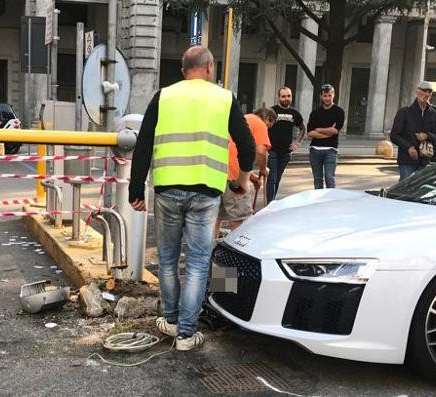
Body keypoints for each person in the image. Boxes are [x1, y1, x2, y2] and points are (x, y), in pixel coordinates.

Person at [128, 46, 256, 352]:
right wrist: (241, 183)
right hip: (206, 191)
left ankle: (170, 321)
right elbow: (247, 146)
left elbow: (143, 143)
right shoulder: (224, 98)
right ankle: (186, 334)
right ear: (210, 67)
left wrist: (136, 190)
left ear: (183, 70)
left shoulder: (165, 96)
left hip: (167, 189)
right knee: (198, 263)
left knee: (168, 260)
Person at [217, 107, 273, 235]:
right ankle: (238, 251)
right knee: (240, 218)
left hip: (220, 173)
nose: (268, 129)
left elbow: (233, 155)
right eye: (269, 125)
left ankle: (210, 249)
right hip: (235, 178)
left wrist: (253, 179)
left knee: (217, 216)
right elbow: (261, 152)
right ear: (268, 118)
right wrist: (263, 169)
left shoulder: (242, 120)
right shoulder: (259, 123)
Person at [390, 81, 436, 181]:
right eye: (423, 91)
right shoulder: (404, 112)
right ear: (417, 92)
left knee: (420, 191)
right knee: (405, 189)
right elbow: (394, 135)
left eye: (429, 91)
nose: (426, 94)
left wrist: (427, 136)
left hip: (424, 160)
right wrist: (408, 148)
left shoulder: (434, 113)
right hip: (407, 160)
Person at [266, 87, 306, 203]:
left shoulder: (295, 113)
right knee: (272, 178)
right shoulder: (272, 111)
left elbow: (302, 129)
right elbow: (264, 127)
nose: (286, 98)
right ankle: (270, 203)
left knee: (277, 178)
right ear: (279, 97)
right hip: (272, 150)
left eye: (288, 96)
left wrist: (297, 143)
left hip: (286, 152)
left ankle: (272, 201)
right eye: (283, 96)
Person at [306, 84, 346, 189]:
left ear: (334, 95)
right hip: (315, 149)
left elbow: (335, 130)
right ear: (320, 96)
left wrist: (318, 129)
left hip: (331, 150)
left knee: (329, 178)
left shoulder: (339, 111)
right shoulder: (315, 113)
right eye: (325, 95)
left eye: (329, 95)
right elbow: (310, 133)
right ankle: (319, 203)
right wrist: (328, 133)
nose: (327, 98)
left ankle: (330, 202)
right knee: (318, 180)